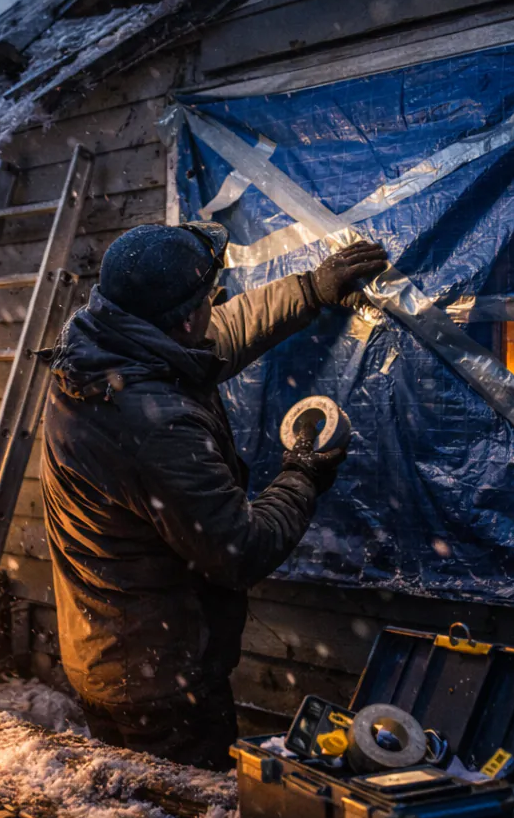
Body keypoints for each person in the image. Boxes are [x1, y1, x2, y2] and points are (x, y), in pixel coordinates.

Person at [41, 221, 387, 768]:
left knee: (137, 815)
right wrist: (303, 472)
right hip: (158, 683)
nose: (218, 304)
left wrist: (310, 291)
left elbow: (218, 334)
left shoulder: (107, 348)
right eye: (209, 298)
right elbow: (238, 550)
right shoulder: (154, 425)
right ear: (183, 319)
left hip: (113, 651)